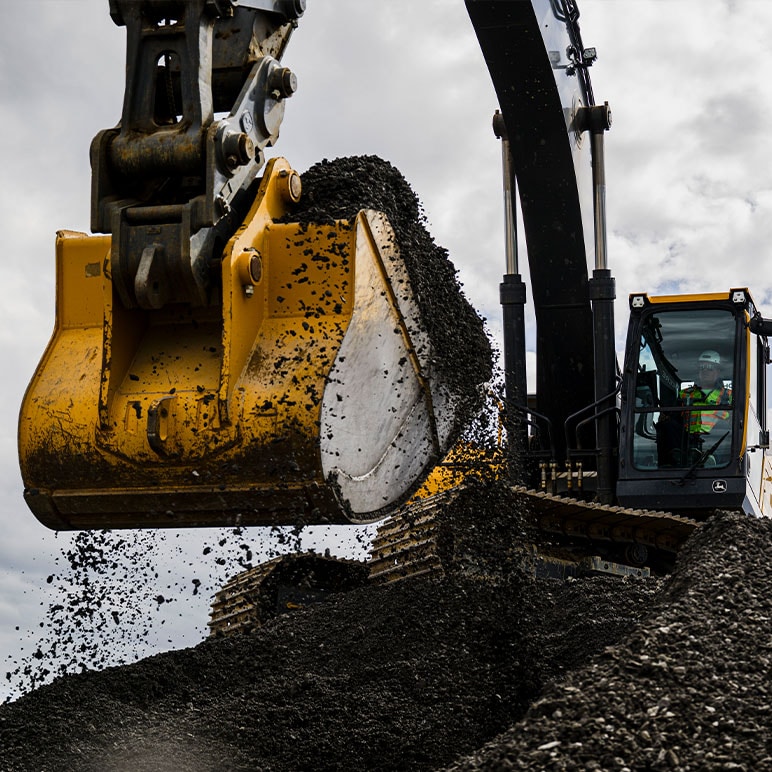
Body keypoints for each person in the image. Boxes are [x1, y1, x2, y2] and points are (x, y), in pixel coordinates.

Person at [679, 350, 732, 436]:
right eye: (702, 367)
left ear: (717, 371)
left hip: (719, 442)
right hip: (687, 442)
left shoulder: (730, 395)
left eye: (710, 367)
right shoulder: (684, 394)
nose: (705, 370)